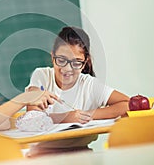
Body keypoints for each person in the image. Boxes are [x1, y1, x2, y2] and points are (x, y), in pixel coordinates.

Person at [25, 26, 129, 157]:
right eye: (61, 60)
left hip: (82, 154)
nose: (67, 68)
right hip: (41, 156)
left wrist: (87, 115)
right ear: (52, 57)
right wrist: (67, 117)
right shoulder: (41, 76)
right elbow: (32, 119)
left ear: (84, 63)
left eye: (76, 63)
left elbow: (126, 103)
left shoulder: (89, 84)